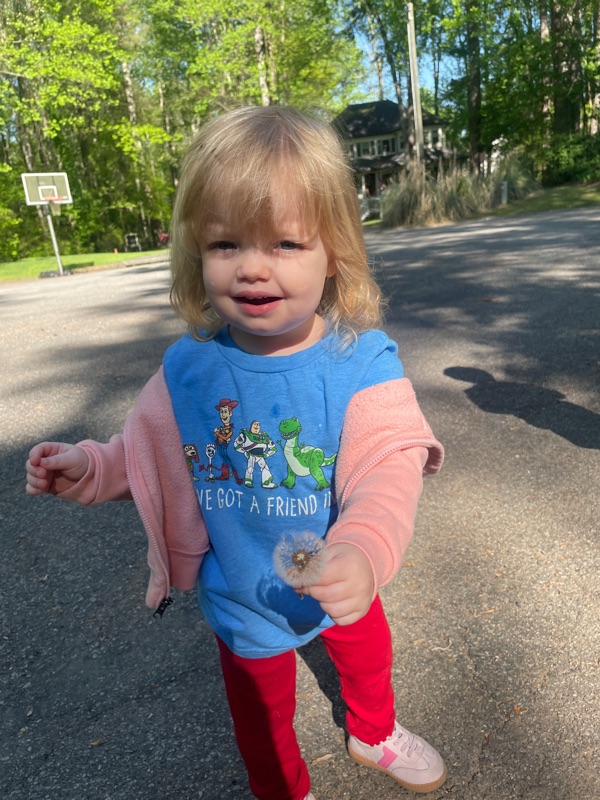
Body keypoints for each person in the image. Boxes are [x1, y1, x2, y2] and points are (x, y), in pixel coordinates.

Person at [25, 106, 447, 800]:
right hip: (243, 588)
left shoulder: (359, 361)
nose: (252, 268)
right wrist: (94, 468)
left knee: (368, 655)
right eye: (225, 244)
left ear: (335, 251)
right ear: (196, 251)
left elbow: (389, 462)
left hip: (339, 564)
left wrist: (366, 548)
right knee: (259, 716)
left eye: (286, 243)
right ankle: (281, 789)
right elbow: (149, 450)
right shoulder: (190, 370)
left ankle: (373, 732)